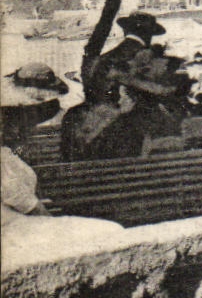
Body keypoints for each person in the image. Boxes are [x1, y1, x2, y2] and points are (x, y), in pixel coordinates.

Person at [3, 65, 125, 249]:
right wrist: (51, 222)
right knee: (108, 232)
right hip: (17, 226)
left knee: (107, 231)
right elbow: (21, 199)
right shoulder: (5, 156)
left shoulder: (7, 152)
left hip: (24, 218)